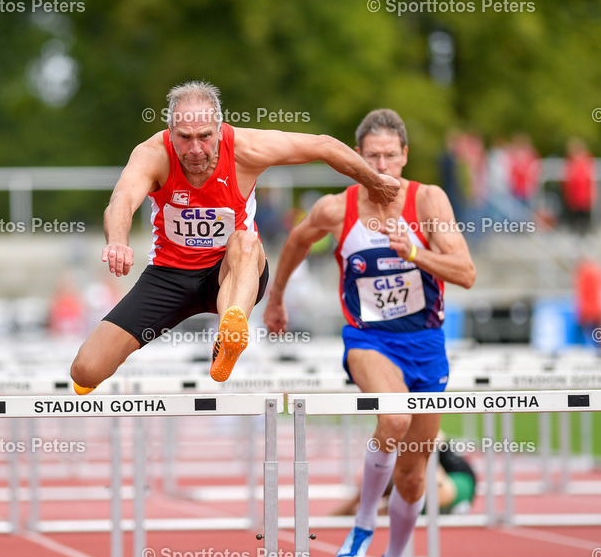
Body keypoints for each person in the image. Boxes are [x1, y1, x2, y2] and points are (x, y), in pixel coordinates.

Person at [264, 109, 475, 557]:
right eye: (372, 156)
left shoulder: (428, 201)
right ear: (356, 158)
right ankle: (361, 529)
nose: (381, 166)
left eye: (390, 156)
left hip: (425, 345)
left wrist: (416, 254)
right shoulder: (337, 209)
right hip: (367, 340)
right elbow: (296, 241)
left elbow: (465, 272)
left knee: (414, 476)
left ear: (405, 156)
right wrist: (275, 298)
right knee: (393, 417)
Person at [69, 81, 399, 392]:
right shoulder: (153, 153)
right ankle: (227, 334)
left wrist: (373, 181)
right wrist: (117, 240)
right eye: (184, 138)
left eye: (205, 136)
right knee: (86, 370)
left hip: (231, 271)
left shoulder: (246, 149)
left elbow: (324, 146)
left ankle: (230, 334)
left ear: (219, 128)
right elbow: (122, 200)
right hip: (169, 274)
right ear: (170, 131)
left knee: (245, 240)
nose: (195, 149)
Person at [333, 436, 477, 517]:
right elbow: (340, 516)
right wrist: (361, 497)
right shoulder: (393, 507)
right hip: (432, 489)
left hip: (454, 476)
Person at [563, 138, 594, 235]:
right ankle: (574, 229)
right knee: (573, 211)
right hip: (573, 190)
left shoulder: (586, 159)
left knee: (583, 211)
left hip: (583, 189)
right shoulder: (569, 160)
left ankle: (584, 230)